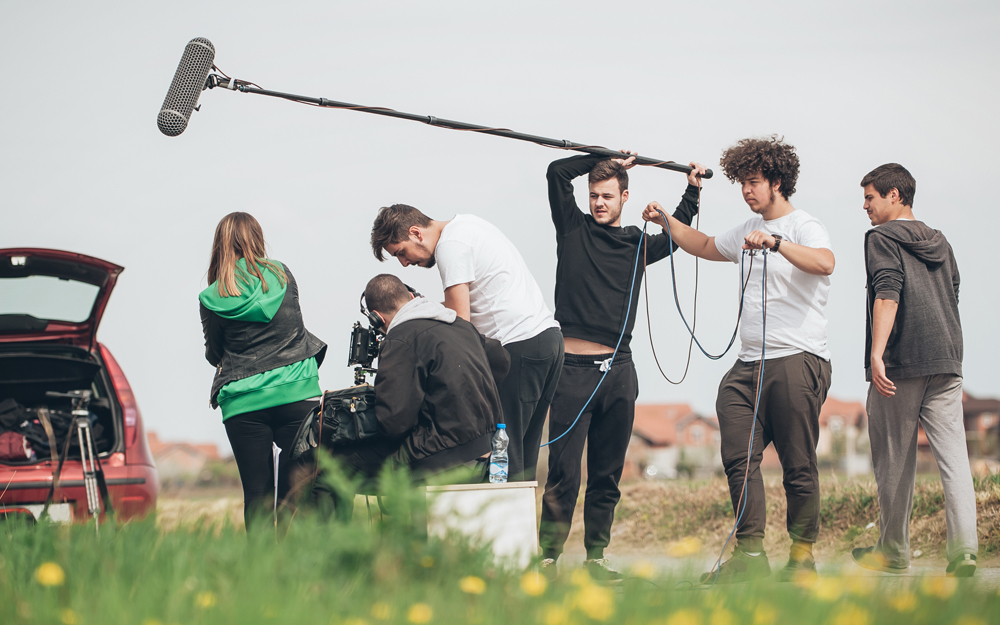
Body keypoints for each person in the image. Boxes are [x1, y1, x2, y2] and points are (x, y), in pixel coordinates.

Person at [642, 136, 834, 583]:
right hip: (748, 367)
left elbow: (825, 263)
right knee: (737, 454)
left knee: (798, 464)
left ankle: (802, 558)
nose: (747, 191)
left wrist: (776, 243)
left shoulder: (806, 225)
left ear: (777, 181)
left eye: (754, 182)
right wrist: (667, 221)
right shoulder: (747, 226)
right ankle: (750, 557)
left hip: (796, 360)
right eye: (742, 183)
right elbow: (706, 245)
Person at [538, 151, 700, 581]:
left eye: (607, 196)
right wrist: (602, 158)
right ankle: (549, 559)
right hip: (572, 371)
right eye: (593, 195)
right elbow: (557, 172)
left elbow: (678, 236)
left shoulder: (637, 243)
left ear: (624, 197)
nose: (598, 203)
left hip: (618, 372)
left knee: (606, 475)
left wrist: (692, 190)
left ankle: (596, 558)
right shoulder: (571, 229)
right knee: (563, 474)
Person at [370, 205, 563, 482]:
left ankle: (500, 525)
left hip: (517, 345)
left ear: (416, 233)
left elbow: (459, 326)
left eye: (401, 252)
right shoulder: (469, 225)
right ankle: (520, 524)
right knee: (522, 457)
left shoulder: (450, 247)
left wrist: (408, 320)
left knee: (502, 456)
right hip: (546, 341)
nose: (403, 263)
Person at [851, 163, 978, 578]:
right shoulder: (939, 240)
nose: (864, 206)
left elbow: (887, 293)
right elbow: (954, 290)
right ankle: (965, 552)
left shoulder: (881, 238)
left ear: (894, 195)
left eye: (870, 196)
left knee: (894, 459)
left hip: (902, 362)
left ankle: (893, 553)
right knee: (955, 459)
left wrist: (877, 352)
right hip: (947, 357)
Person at [199, 212, 327, 529]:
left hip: (243, 401)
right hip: (297, 391)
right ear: (257, 237)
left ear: (219, 245)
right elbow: (294, 325)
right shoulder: (282, 275)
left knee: (256, 494)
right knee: (295, 493)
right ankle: (287, 566)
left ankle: (259, 570)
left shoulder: (212, 295)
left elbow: (214, 353)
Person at [329, 274, 507, 488]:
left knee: (329, 467)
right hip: (486, 448)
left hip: (440, 454)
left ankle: (332, 523)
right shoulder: (460, 324)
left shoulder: (399, 339)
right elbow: (502, 360)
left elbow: (394, 423)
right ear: (412, 296)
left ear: (377, 317)